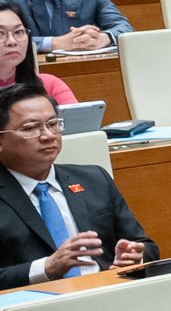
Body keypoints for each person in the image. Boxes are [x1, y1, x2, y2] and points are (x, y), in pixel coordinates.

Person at [0, 84, 154, 287]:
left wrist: (135, 257)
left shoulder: (94, 179)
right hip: (34, 309)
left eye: (53, 124)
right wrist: (46, 267)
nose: (47, 135)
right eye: (30, 128)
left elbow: (147, 247)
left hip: (110, 293)